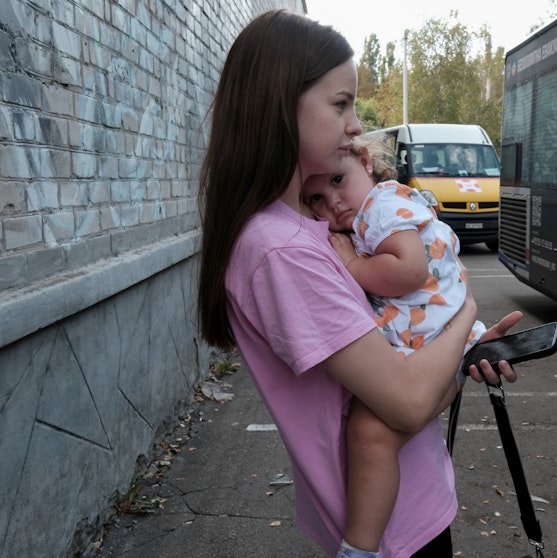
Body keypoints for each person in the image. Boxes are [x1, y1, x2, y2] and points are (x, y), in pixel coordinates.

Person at [195, 10, 523, 558]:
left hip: (409, 510)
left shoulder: (313, 229)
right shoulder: (282, 251)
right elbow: (405, 402)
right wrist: (464, 313)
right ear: (282, 104)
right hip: (390, 536)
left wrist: (460, 357)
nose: (354, 123)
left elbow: (408, 385)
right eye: (340, 103)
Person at [301, 135, 486, 557]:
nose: (333, 202)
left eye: (337, 180)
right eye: (315, 196)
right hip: (436, 330)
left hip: (427, 335)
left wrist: (351, 265)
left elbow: (407, 271)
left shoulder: (379, 209)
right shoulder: (376, 209)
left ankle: (360, 549)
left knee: (370, 434)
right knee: (372, 435)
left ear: (366, 162)